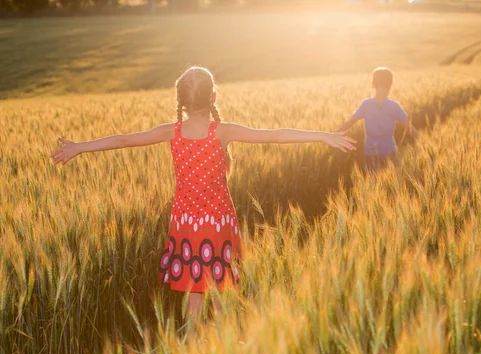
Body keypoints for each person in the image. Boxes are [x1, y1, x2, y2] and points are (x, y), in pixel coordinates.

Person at [50, 66, 356, 321]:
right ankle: (220, 351)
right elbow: (275, 136)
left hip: (185, 224)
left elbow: (124, 140)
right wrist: (323, 136)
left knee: (194, 290)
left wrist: (80, 147)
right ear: (213, 97)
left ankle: (190, 349)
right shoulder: (221, 132)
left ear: (180, 100)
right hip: (219, 223)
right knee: (221, 286)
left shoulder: (172, 131)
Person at [337, 67, 419, 173]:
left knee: (373, 181)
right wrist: (422, 142)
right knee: (389, 181)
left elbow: (350, 122)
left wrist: (335, 134)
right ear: (391, 85)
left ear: (373, 85)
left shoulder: (366, 104)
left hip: (371, 151)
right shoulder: (394, 106)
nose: (385, 89)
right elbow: (408, 127)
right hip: (388, 151)